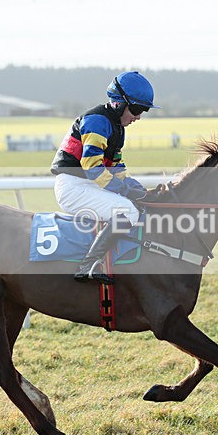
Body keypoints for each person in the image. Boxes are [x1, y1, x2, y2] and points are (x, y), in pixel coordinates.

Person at [50, 71, 159, 284]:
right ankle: (88, 265)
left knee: (137, 205)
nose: (138, 116)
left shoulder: (117, 127)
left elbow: (116, 168)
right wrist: (126, 190)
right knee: (126, 211)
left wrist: (138, 189)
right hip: (74, 186)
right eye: (137, 109)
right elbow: (92, 167)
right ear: (119, 104)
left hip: (88, 185)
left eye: (143, 110)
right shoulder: (97, 121)